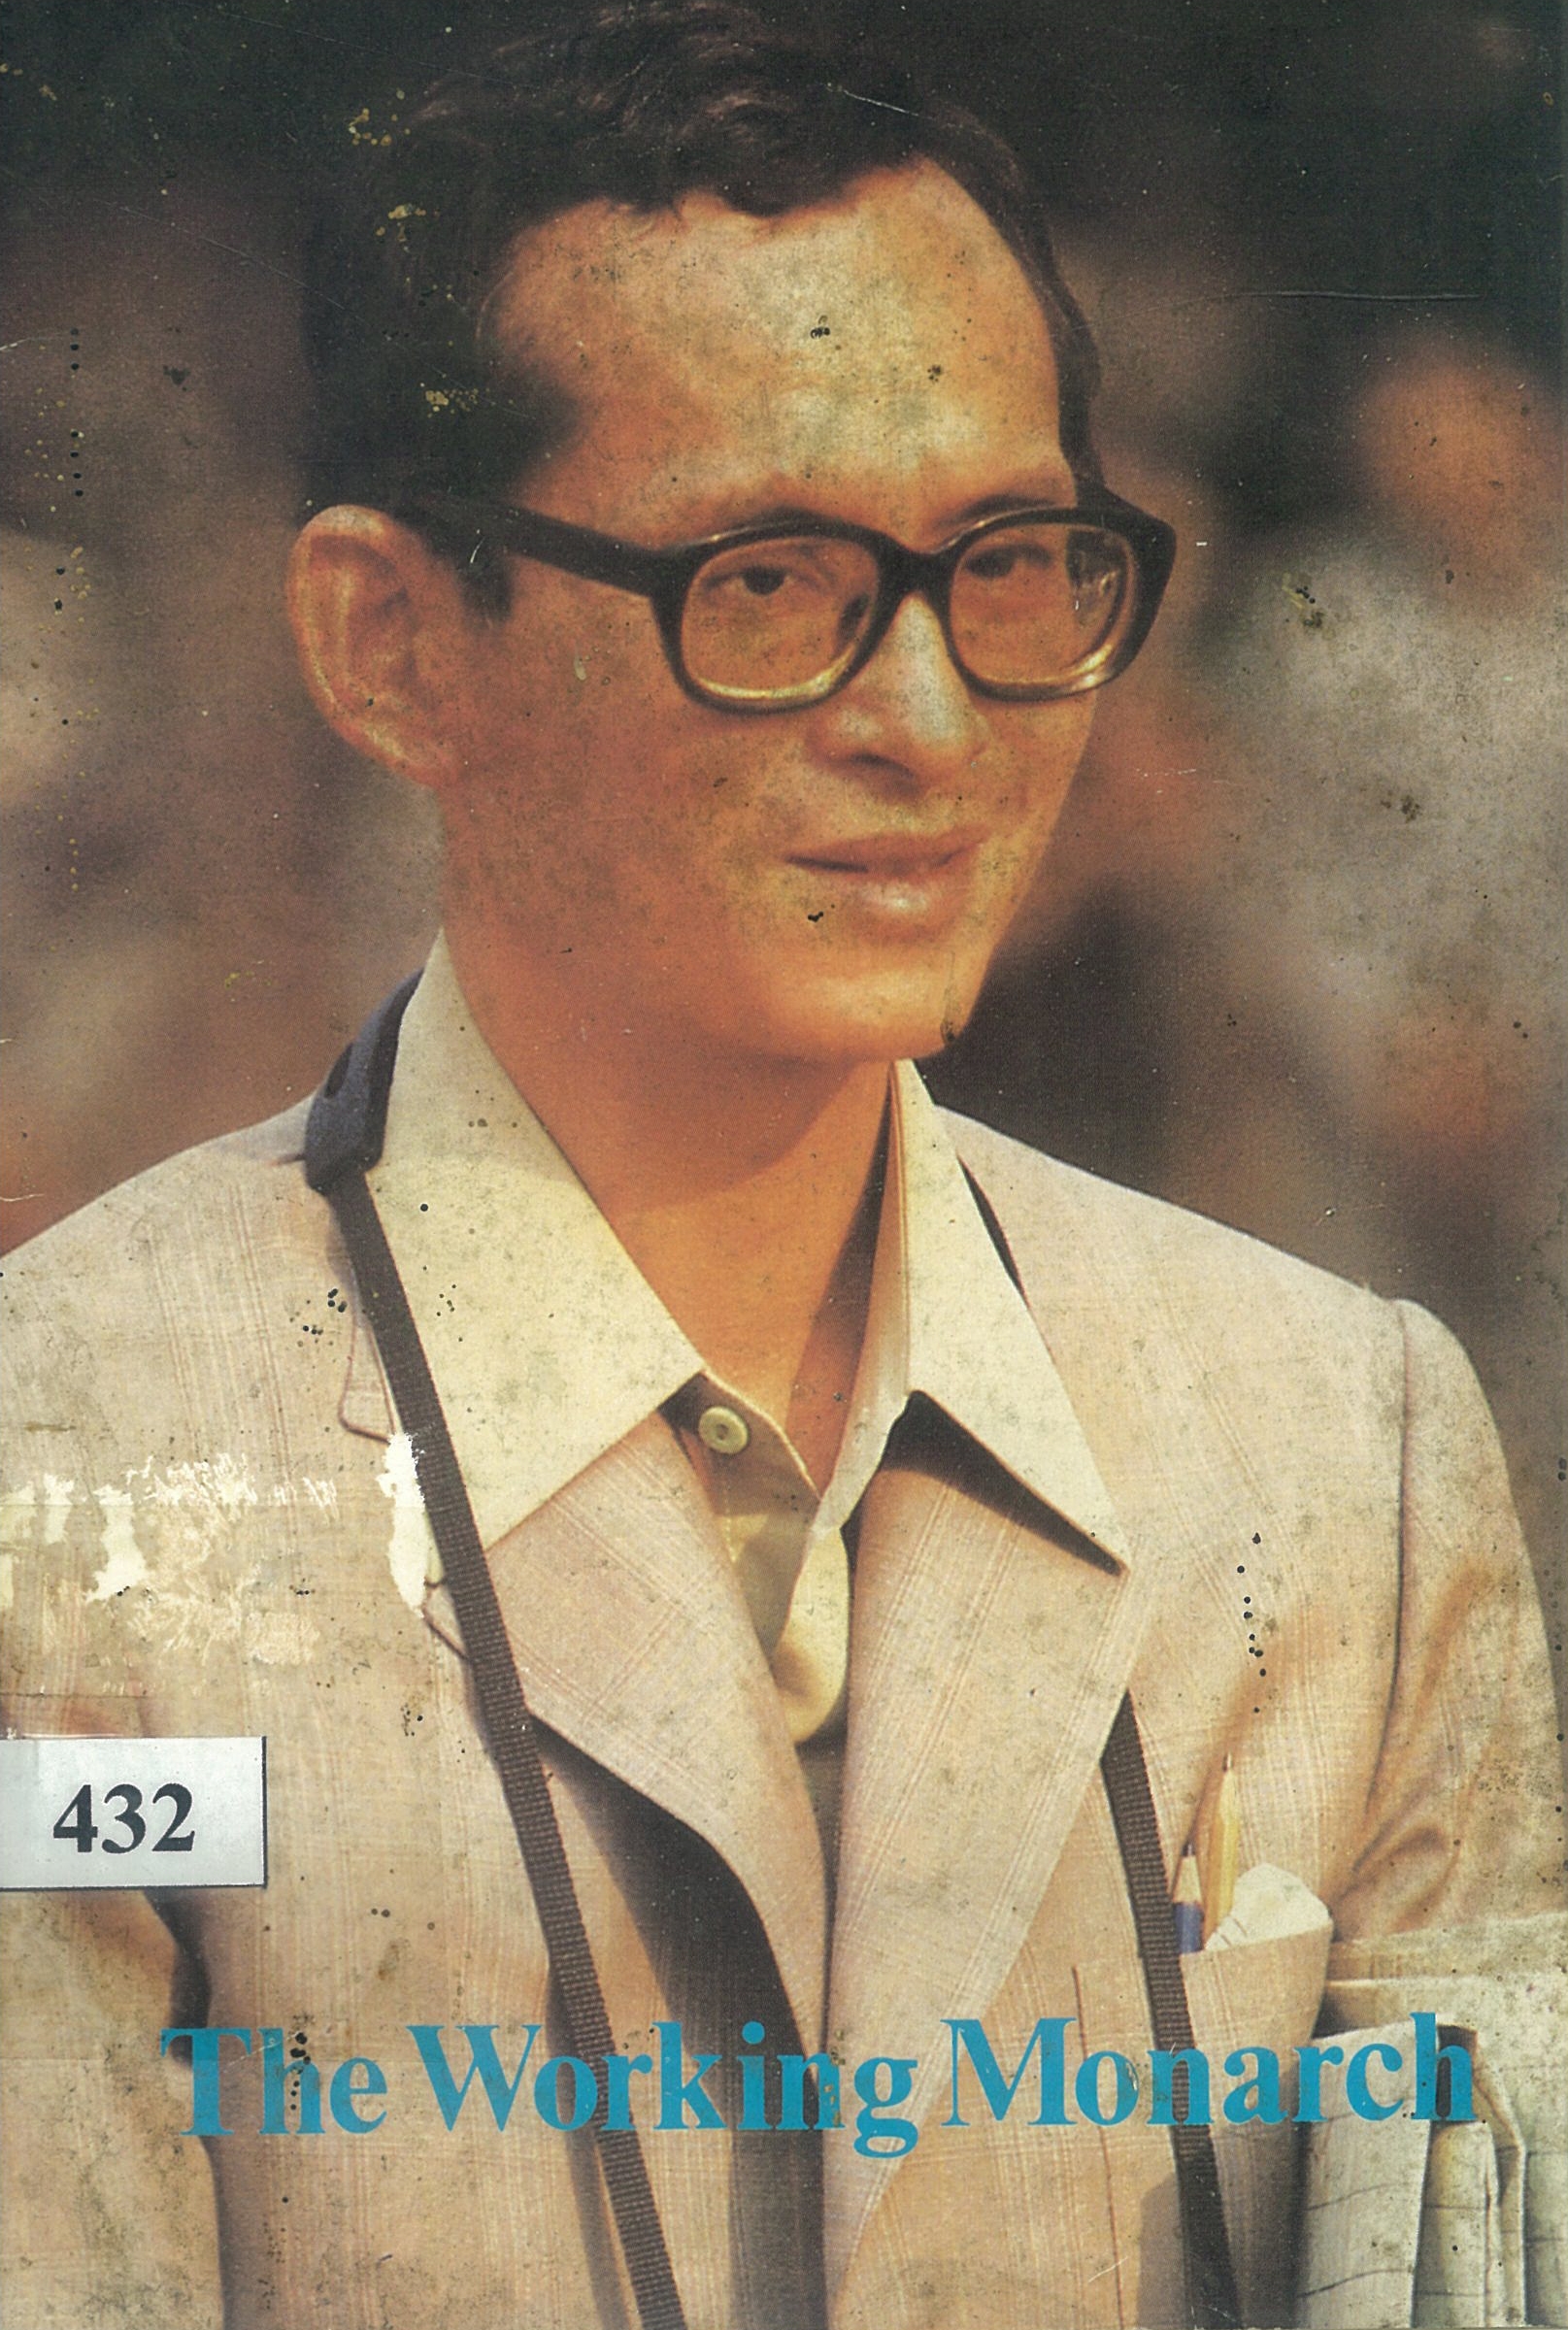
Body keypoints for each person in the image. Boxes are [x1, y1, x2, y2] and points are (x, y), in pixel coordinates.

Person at [2, 8, 1561, 2328]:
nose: (927, 723)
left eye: (1012, 564)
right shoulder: (65, 1477)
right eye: (761, 581)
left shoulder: (1351, 1454)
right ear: (392, 643)